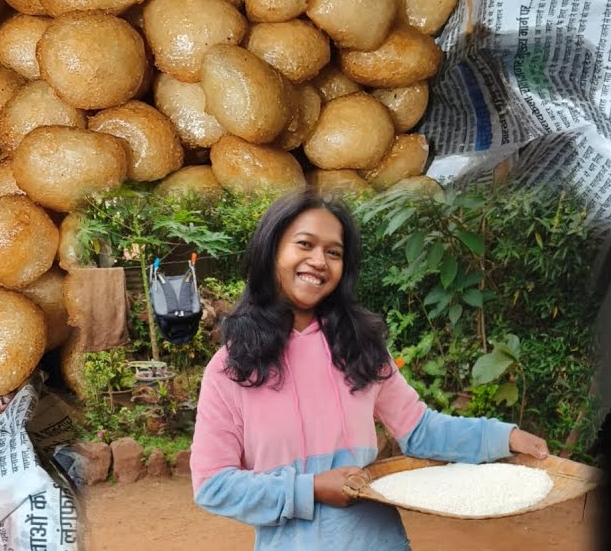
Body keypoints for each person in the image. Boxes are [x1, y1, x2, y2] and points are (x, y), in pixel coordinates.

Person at [190, 191, 550, 550]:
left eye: (334, 252)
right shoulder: (230, 369)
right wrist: (309, 489)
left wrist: (503, 437)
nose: (319, 261)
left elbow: (420, 430)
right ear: (270, 251)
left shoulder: (360, 348)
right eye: (305, 244)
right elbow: (213, 485)